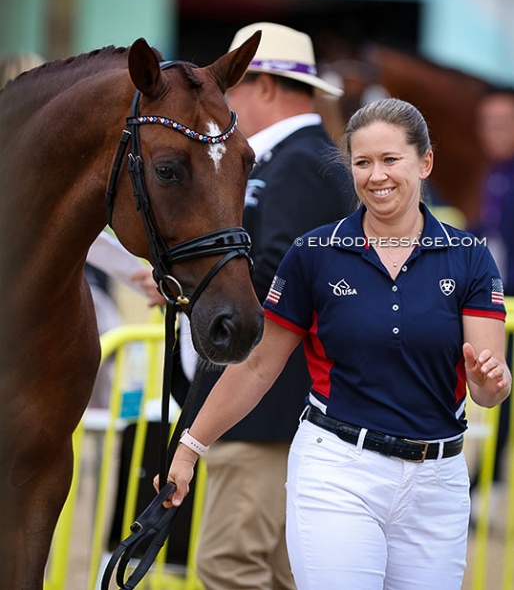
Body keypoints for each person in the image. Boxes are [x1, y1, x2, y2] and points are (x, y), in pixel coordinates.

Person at [159, 98, 511, 590]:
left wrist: (490, 381)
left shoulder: (470, 256)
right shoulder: (313, 254)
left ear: (424, 162)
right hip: (338, 470)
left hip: (438, 481)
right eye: (362, 162)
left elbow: (490, 388)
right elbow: (258, 364)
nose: (376, 175)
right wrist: (188, 449)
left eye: (391, 160)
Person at [190, 22, 356, 590]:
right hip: (279, 406)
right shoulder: (299, 159)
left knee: (231, 566)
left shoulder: (296, 163)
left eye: (233, 84)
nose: (226, 100)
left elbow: (281, 278)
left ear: (263, 87)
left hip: (266, 409)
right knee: (283, 572)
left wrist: (197, 290)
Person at [468, 86, 514, 506]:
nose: (493, 132)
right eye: (487, 123)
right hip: (499, 306)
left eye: (503, 123)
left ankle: (490, 483)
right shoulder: (492, 172)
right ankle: (487, 482)